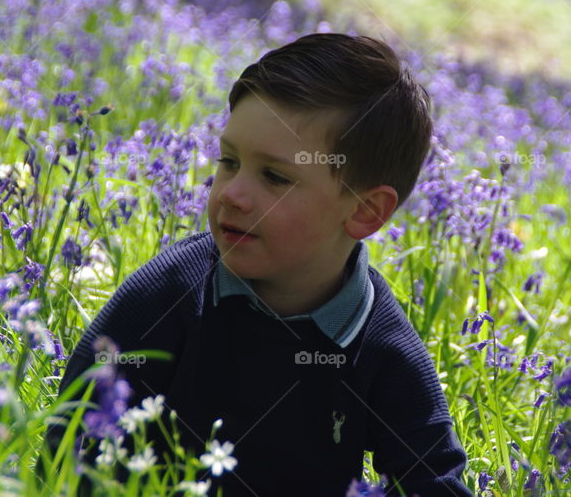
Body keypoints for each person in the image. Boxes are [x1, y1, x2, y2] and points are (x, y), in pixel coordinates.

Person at [39, 33, 474, 497]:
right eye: (229, 161)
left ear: (365, 211)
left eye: (274, 177)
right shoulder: (171, 292)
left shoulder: (381, 346)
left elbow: (434, 482)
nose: (230, 193)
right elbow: (73, 435)